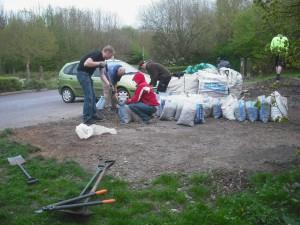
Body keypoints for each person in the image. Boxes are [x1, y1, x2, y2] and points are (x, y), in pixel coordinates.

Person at [77, 45, 114, 125]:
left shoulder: (103, 60)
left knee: (93, 96)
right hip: (82, 74)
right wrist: (100, 63)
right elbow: (86, 64)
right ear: (107, 52)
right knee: (89, 96)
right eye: (110, 56)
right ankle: (87, 119)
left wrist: (108, 84)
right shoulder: (97, 54)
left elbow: (102, 75)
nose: (110, 58)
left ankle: (93, 115)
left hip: (87, 76)